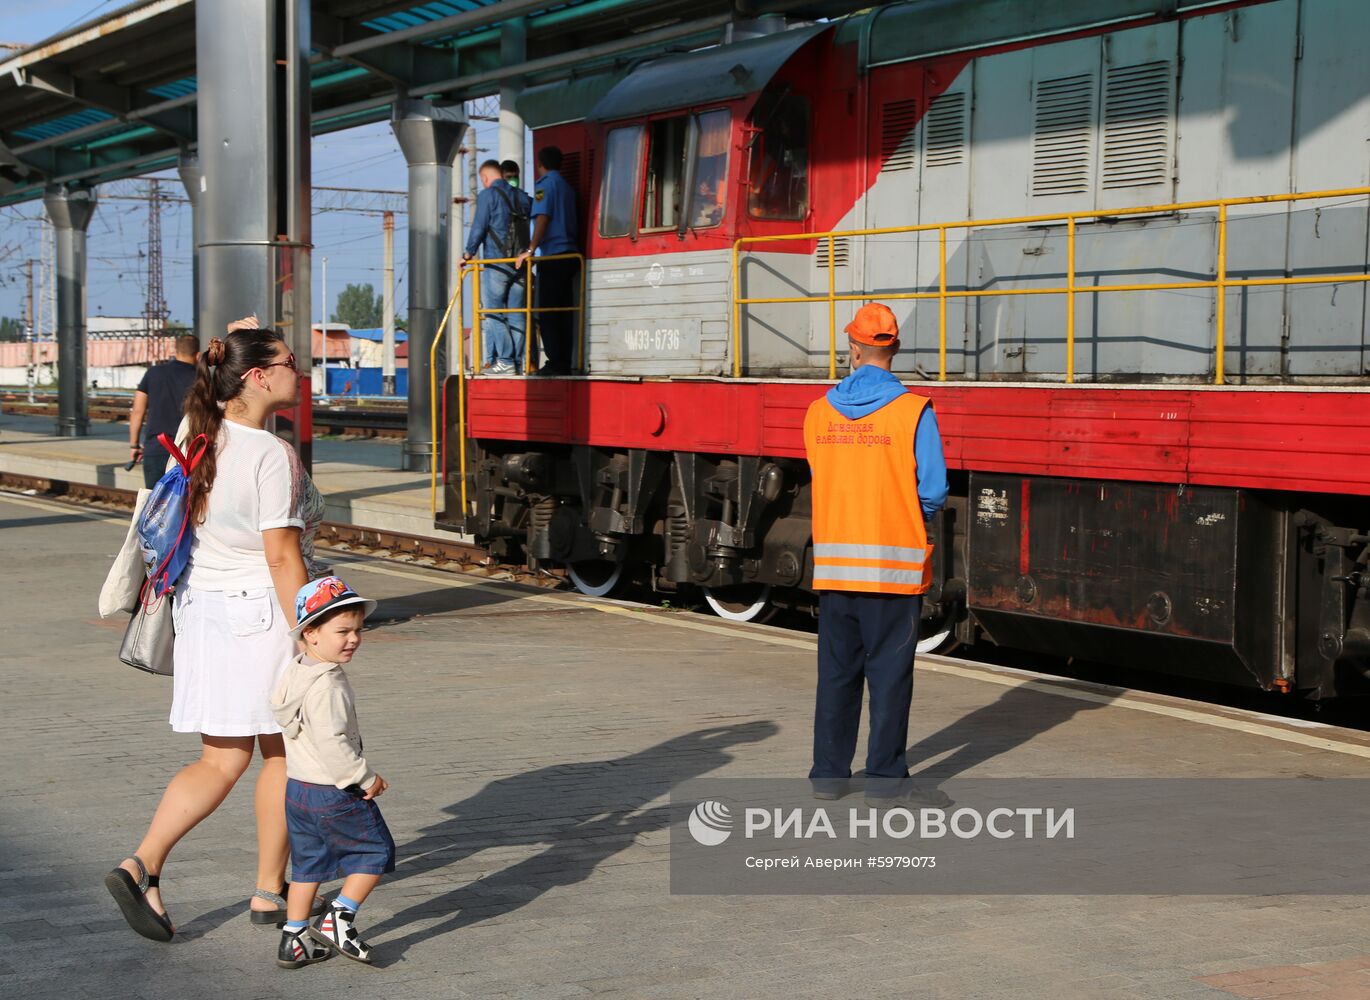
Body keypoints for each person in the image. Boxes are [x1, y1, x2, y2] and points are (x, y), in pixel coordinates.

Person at [104, 317, 328, 942]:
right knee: (284, 753)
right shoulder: (270, 454)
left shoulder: (203, 439)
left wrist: (238, 336)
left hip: (203, 613)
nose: (298, 371)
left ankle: (143, 864)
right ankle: (266, 891)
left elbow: (221, 367)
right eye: (288, 361)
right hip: (261, 614)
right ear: (257, 377)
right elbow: (284, 557)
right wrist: (310, 636)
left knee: (221, 758)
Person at [801, 303, 951, 808]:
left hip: (837, 571)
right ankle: (885, 782)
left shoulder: (819, 411)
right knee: (888, 677)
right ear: (896, 349)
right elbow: (933, 489)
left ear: (854, 348)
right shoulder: (913, 410)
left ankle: (827, 777)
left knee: (837, 675)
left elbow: (823, 476)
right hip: (892, 570)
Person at [270, 576, 392, 968]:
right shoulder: (328, 686)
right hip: (334, 792)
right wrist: (364, 777)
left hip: (299, 789)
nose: (353, 638)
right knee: (375, 853)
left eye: (358, 630)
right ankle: (340, 918)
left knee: (308, 864)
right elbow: (333, 742)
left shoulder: (296, 671)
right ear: (311, 633)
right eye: (342, 631)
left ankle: (293, 937)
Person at [464, 159, 533, 374]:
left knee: (494, 313)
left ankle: (505, 361)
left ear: (485, 177)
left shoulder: (488, 195)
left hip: (496, 263)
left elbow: (479, 227)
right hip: (521, 264)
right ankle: (518, 363)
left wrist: (468, 253)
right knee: (516, 314)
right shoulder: (522, 197)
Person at [515, 145, 579, 375]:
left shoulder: (544, 186)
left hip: (553, 256)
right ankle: (565, 360)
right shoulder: (568, 188)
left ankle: (555, 362)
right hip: (571, 256)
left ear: (540, 165)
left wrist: (530, 249)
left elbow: (543, 217)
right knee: (565, 312)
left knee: (548, 312)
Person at [129, 333, 199, 489]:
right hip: (187, 453)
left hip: (156, 449)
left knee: (154, 506)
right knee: (184, 508)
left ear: (176, 351)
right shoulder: (201, 378)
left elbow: (137, 411)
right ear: (198, 355)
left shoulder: (153, 373)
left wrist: (134, 445)